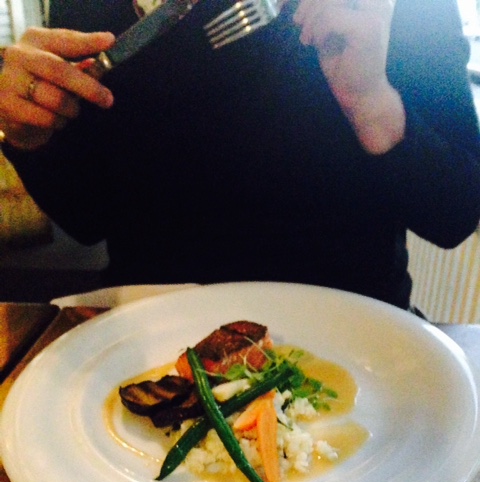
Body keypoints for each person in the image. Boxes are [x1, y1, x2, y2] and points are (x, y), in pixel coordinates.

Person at [0, 0, 479, 309]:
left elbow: (455, 212)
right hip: (155, 344)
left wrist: (371, 102)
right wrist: (27, 133)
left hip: (359, 350)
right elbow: (87, 217)